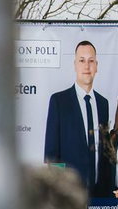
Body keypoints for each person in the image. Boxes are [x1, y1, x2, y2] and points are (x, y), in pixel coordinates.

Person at [44, 41, 111, 197]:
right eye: (82, 60)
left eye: (91, 61)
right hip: (69, 196)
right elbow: (52, 155)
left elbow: (104, 154)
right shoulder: (59, 101)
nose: (86, 66)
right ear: (75, 65)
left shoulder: (103, 104)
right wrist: (60, 193)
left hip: (99, 198)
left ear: (96, 66)